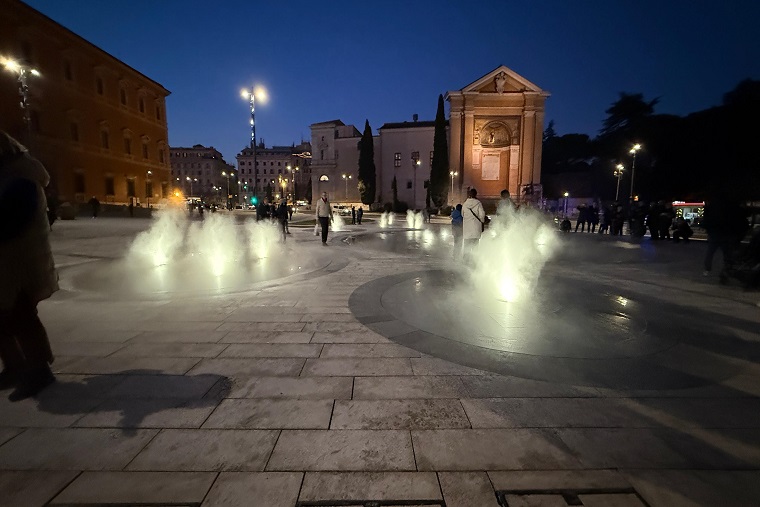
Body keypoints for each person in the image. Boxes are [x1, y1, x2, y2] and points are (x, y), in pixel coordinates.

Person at [0, 131, 58, 401]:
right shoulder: (14, 173)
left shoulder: (20, 177)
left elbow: (12, 220)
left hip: (18, 260)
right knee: (6, 316)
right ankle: (16, 367)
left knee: (21, 314)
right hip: (13, 258)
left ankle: (37, 370)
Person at [702, 195, 749, 283]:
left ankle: (707, 269)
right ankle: (725, 272)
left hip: (715, 234)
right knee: (727, 255)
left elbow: (706, 221)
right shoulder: (731, 208)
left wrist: (709, 231)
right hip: (727, 234)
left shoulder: (712, 208)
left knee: (710, 252)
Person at [462, 188, 485, 258]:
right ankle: (474, 260)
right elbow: (482, 215)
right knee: (475, 246)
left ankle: (466, 260)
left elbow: (462, 214)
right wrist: (482, 221)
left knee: (466, 245)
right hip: (476, 228)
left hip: (467, 229)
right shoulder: (478, 203)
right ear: (476, 194)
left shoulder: (465, 204)